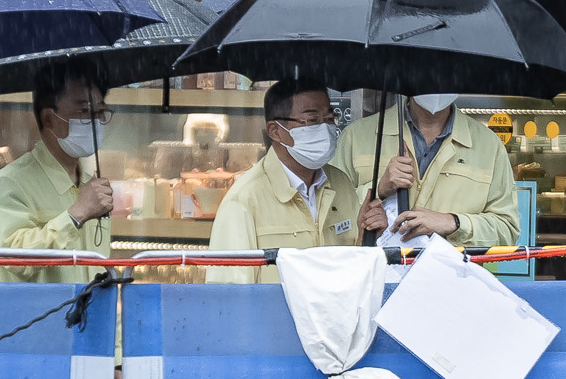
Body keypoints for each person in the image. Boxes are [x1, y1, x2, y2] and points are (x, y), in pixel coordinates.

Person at [205, 79, 360, 284]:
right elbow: (228, 294)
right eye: (312, 120)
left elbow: (354, 266)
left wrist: (367, 237)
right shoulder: (244, 201)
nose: (325, 129)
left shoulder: (341, 184)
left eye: (330, 118)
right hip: (273, 316)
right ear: (275, 131)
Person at [0, 59, 114, 283]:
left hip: (89, 314)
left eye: (100, 112)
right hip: (39, 316)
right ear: (49, 118)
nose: (95, 122)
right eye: (84, 111)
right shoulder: (12, 182)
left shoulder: (91, 184)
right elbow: (14, 260)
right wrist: (75, 216)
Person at [342, 93, 522, 249]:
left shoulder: (489, 146)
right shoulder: (356, 137)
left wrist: (454, 223)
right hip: (379, 281)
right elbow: (327, 219)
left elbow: (507, 230)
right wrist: (379, 190)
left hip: (451, 283)